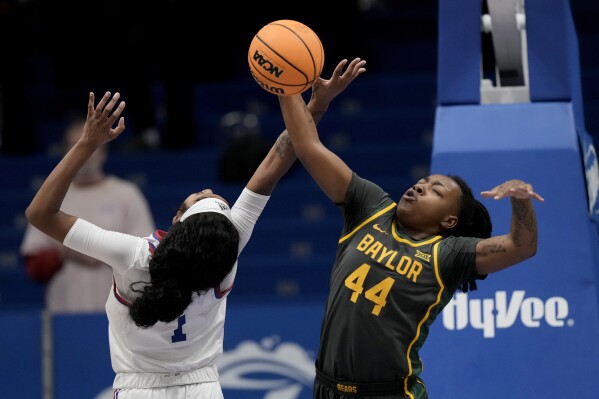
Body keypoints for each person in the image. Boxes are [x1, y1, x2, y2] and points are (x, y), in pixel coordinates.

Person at [23, 57, 365, 398]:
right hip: (204, 388)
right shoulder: (226, 251)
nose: (207, 188)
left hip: (138, 389)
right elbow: (281, 157)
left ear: (177, 220)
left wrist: (85, 144)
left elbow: (40, 213)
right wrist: (318, 103)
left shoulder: (134, 255)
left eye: (203, 195)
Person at [277, 62, 545, 398]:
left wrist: (520, 200)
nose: (420, 187)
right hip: (326, 388)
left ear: (449, 221)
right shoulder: (371, 208)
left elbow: (522, 247)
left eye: (436, 190)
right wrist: (287, 83)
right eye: (422, 181)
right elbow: (308, 146)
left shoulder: (447, 255)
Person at [20, 117, 155, 313]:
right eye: (79, 146)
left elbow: (146, 257)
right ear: (68, 153)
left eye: (92, 146)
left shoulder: (127, 194)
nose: (87, 154)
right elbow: (34, 263)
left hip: (120, 316)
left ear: (103, 151)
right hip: (65, 315)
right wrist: (65, 253)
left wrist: (102, 251)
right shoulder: (51, 198)